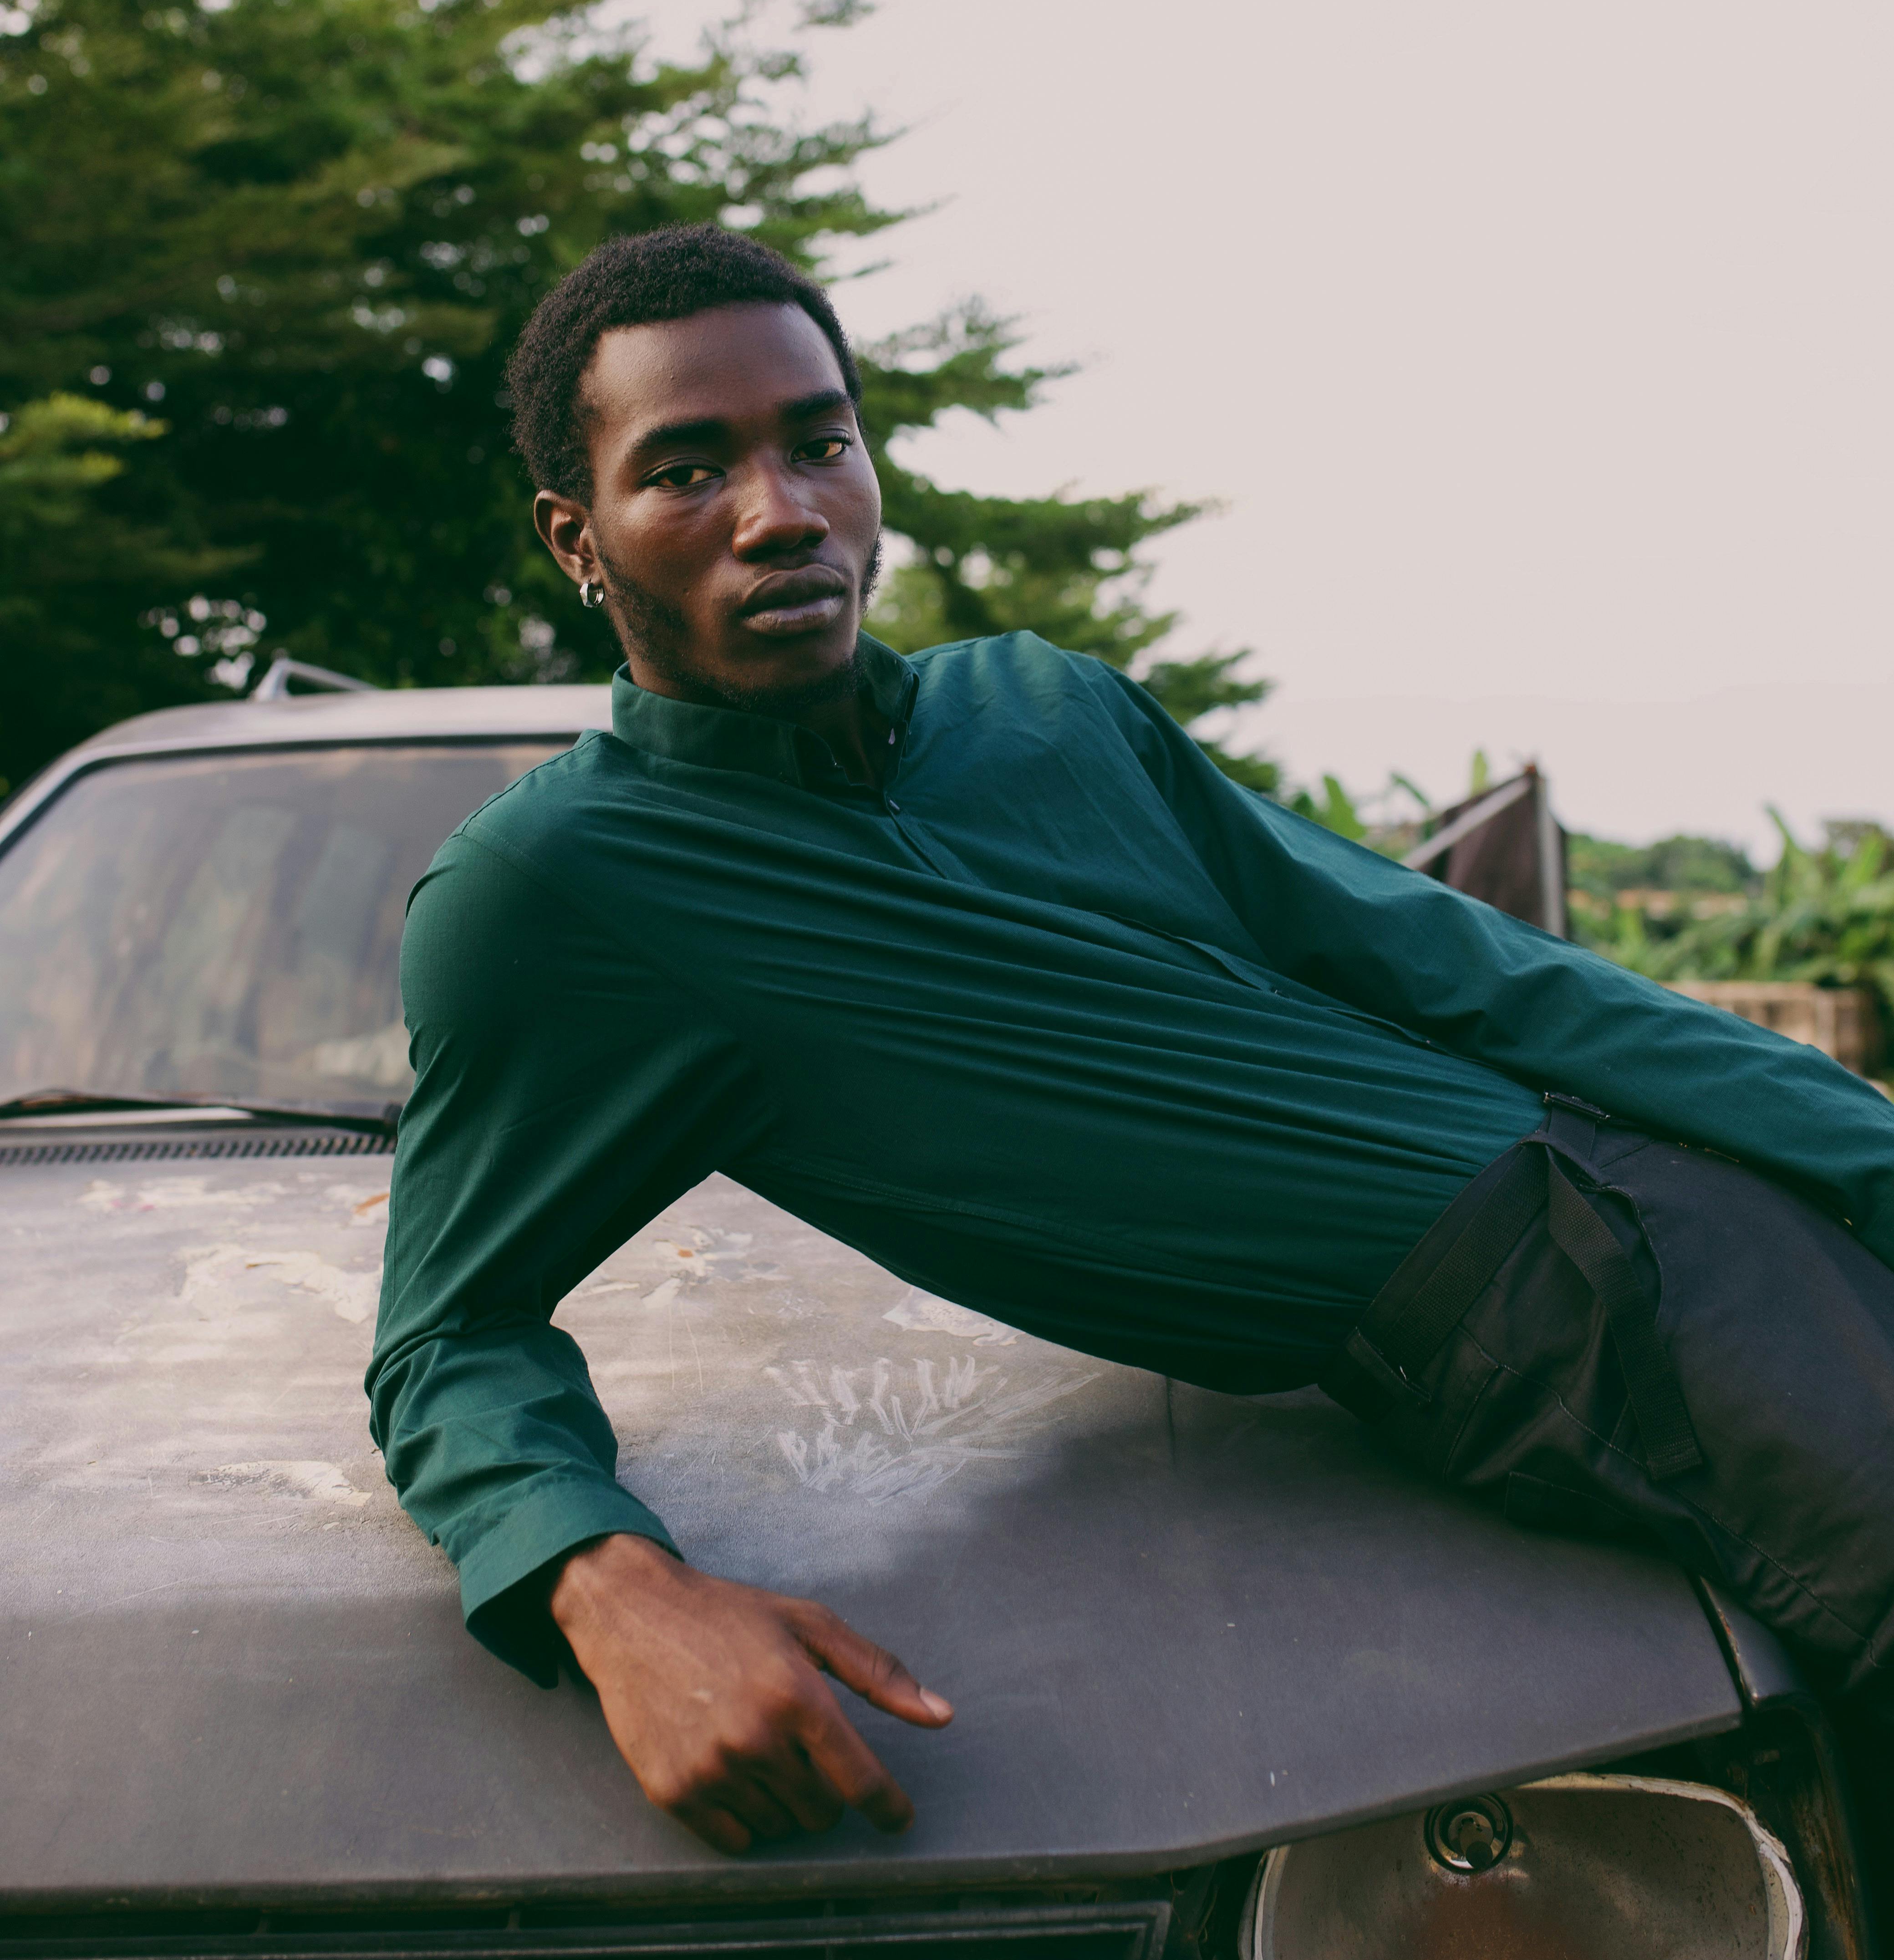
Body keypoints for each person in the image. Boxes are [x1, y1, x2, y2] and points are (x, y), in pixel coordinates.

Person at [368, 226, 1894, 1858]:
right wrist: (609, 1588)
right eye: (686, 470)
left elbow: (1465, 965)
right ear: (576, 539)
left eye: (820, 441)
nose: (784, 510)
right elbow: (447, 1335)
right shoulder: (559, 889)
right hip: (1537, 1316)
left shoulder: (1042, 705)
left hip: (1695, 1207)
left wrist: (1863, 1150)